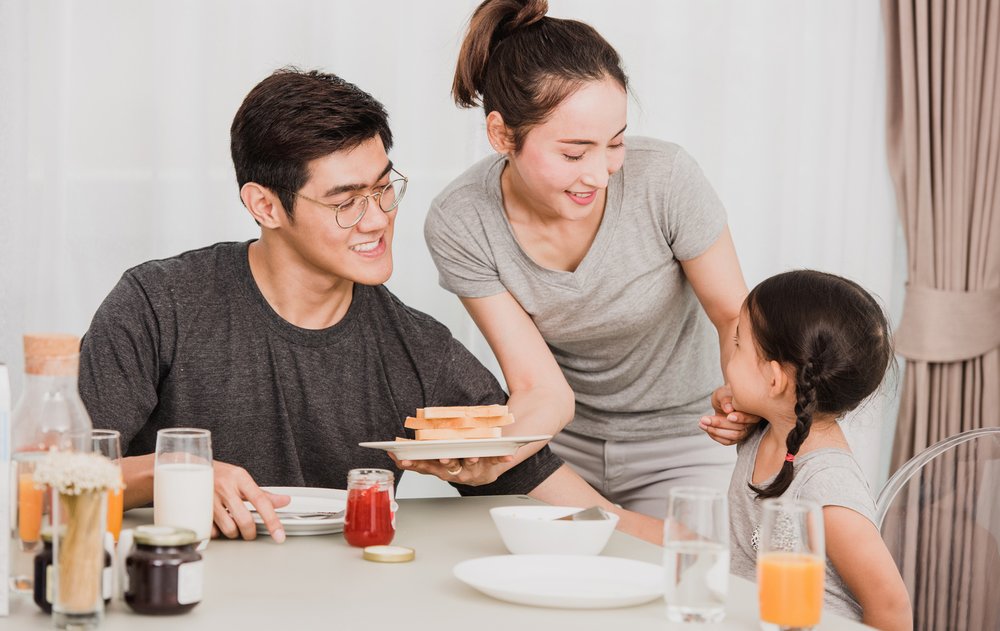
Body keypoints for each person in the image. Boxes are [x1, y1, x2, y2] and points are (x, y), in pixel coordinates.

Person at [79, 68, 661, 544]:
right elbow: (48, 480)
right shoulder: (158, 305)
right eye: (346, 201)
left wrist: (711, 544)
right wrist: (173, 473)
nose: (378, 219)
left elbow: (572, 508)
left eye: (384, 188)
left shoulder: (417, 348)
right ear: (265, 205)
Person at [418, 0, 752, 518]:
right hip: (559, 446)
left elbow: (734, 314)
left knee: (692, 578)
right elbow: (537, 388)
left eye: (614, 144)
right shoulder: (461, 220)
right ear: (502, 134)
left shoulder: (665, 180)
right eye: (574, 153)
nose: (599, 174)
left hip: (686, 441)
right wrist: (492, 454)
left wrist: (740, 394)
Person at [724, 270, 911, 629]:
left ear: (775, 380)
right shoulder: (767, 430)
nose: (729, 354)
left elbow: (891, 607)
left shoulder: (828, 489)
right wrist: (733, 401)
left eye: (737, 344)